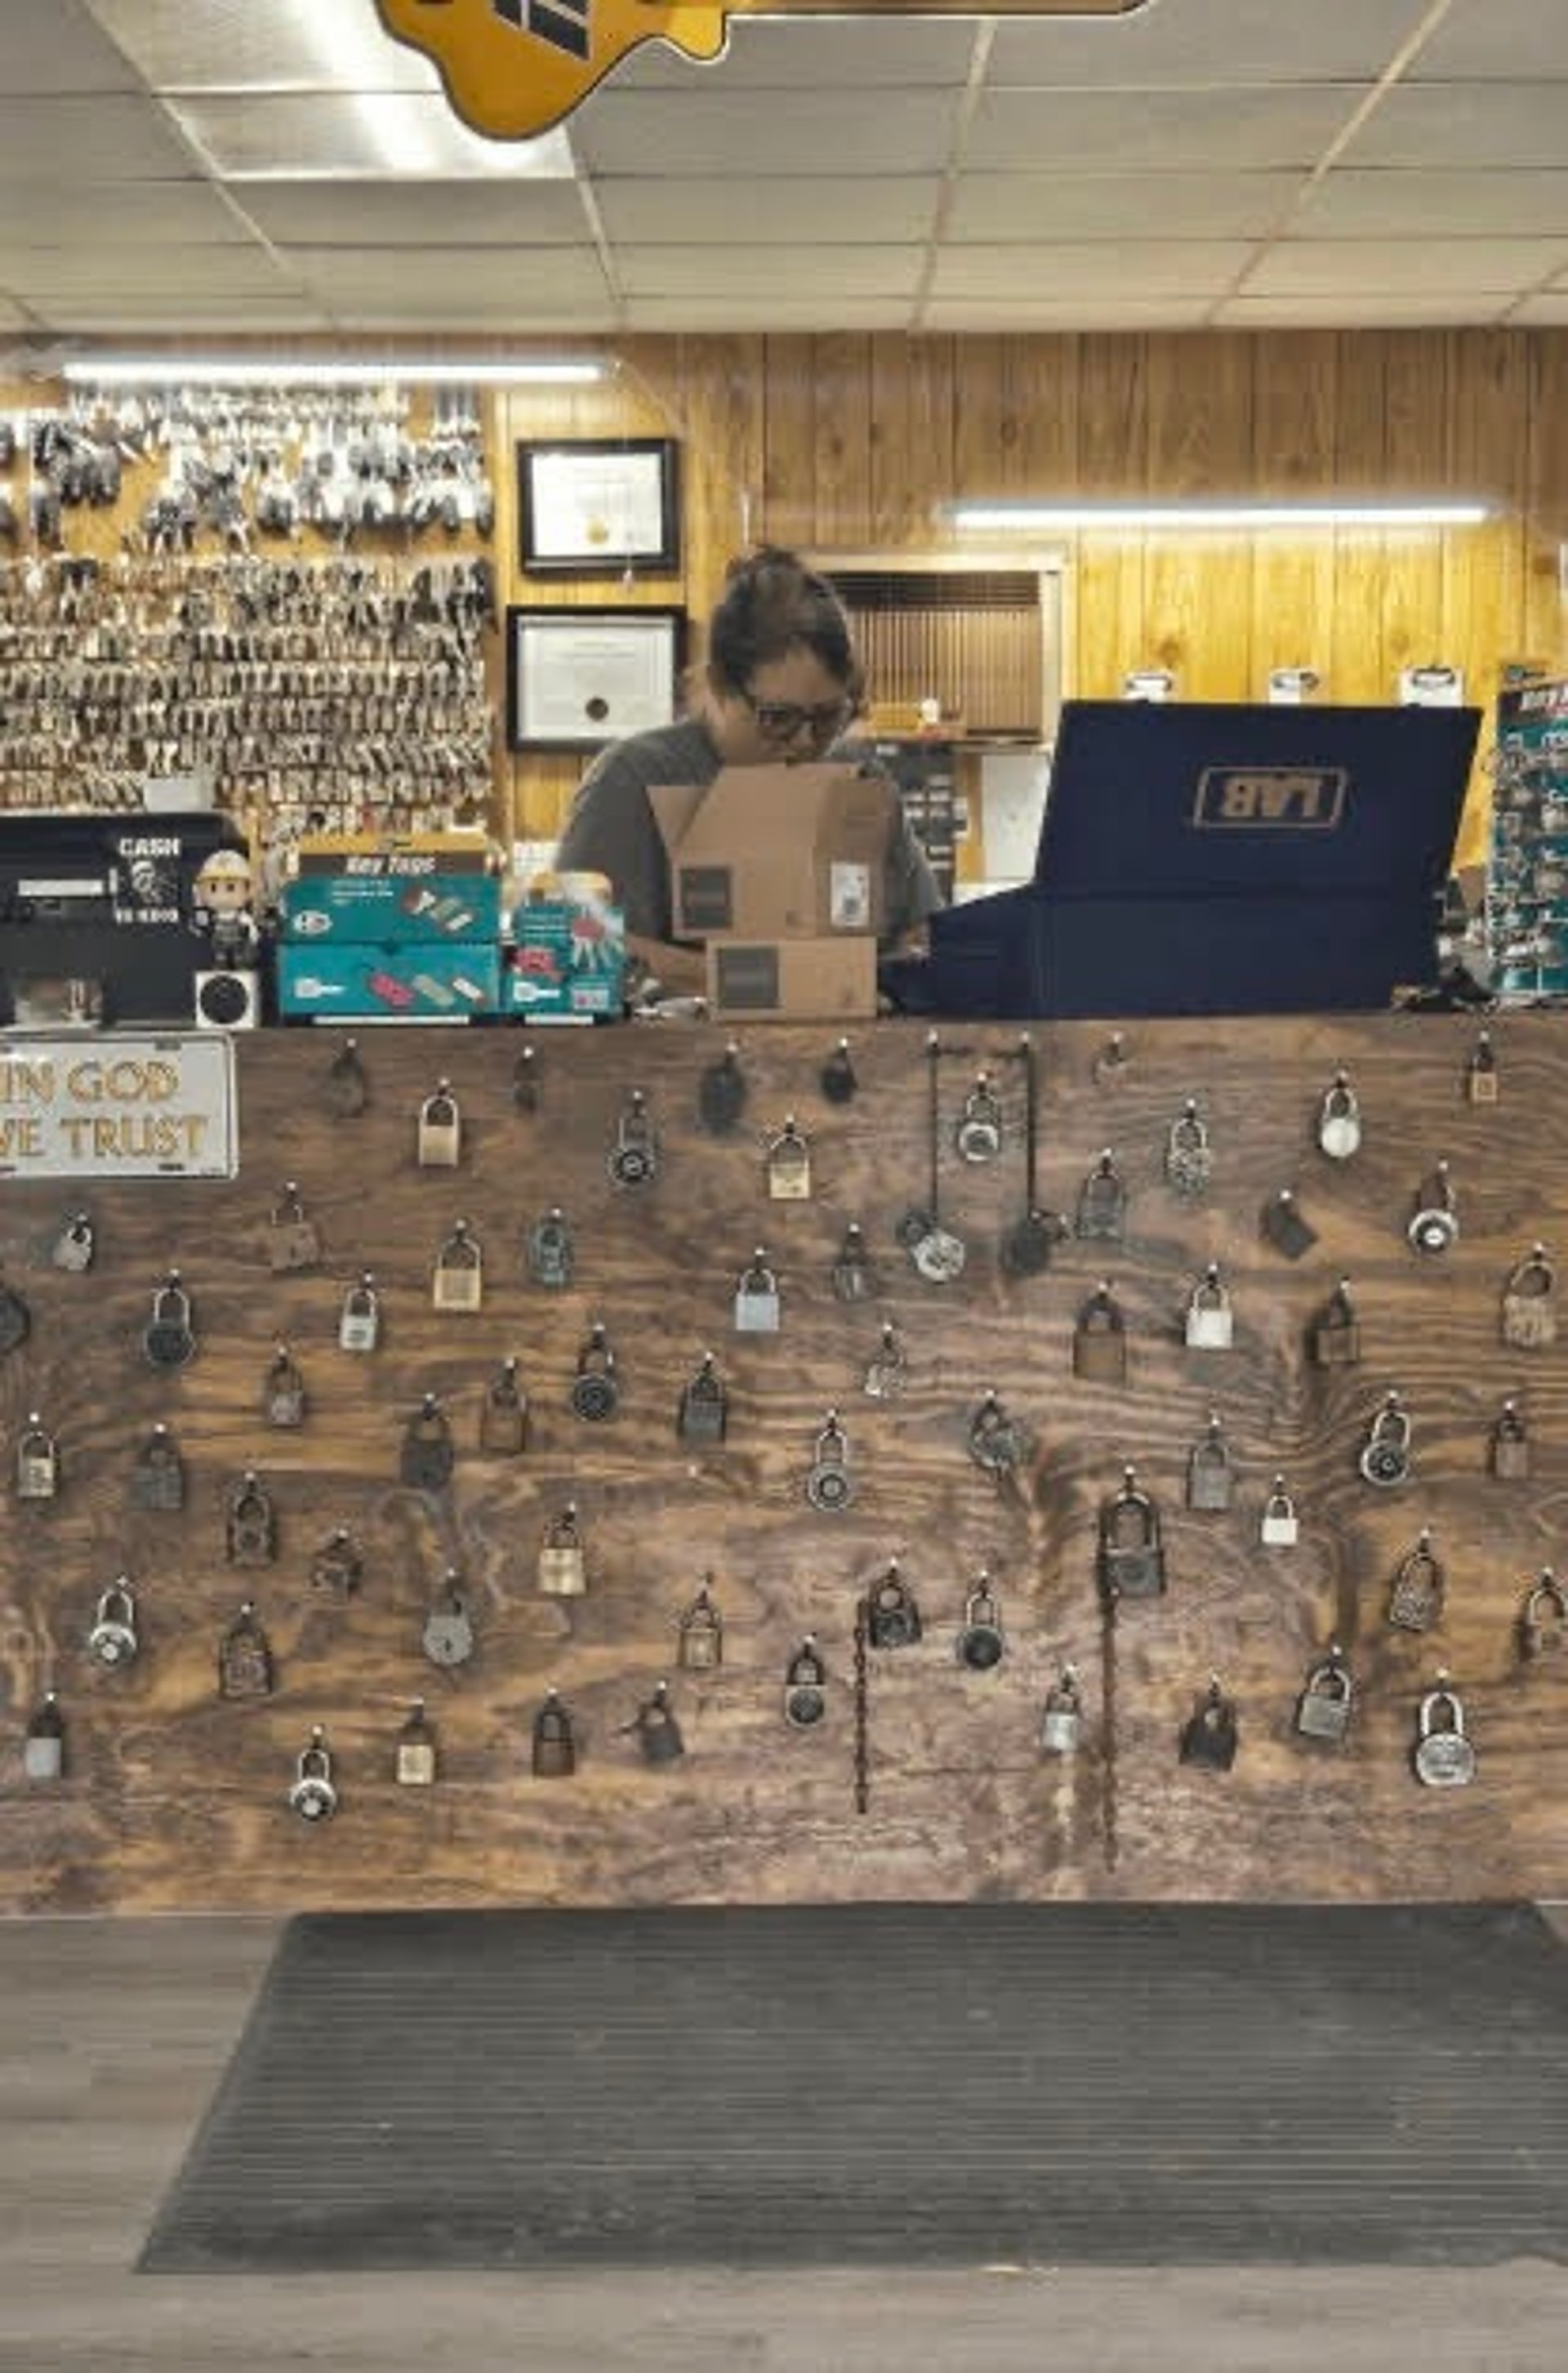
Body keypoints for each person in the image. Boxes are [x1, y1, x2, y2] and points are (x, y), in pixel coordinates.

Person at [553, 546, 942, 990]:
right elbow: (574, 944)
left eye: (828, 717)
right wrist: (761, 983)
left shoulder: (860, 779)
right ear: (720, 686)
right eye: (779, 718)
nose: (805, 741)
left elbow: (922, 933)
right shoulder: (634, 778)